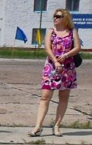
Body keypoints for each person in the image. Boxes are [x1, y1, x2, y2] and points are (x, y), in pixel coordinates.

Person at [29, 8, 81, 137]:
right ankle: (38, 126)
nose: (55, 18)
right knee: (45, 96)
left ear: (65, 18)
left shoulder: (72, 31)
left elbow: (77, 47)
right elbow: (47, 48)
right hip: (51, 66)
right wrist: (55, 61)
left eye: (58, 16)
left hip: (67, 68)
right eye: (54, 16)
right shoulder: (51, 31)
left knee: (64, 97)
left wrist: (66, 55)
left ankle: (57, 125)